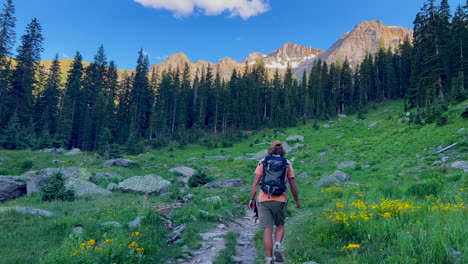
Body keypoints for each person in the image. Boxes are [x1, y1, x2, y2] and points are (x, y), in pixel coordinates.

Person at [249, 141, 300, 264]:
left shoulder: (263, 161)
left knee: (267, 229)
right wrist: (297, 200)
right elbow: (293, 185)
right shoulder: (287, 163)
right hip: (280, 199)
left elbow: (255, 183)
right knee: (280, 225)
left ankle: (269, 259)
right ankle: (277, 244)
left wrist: (251, 199)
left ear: (270, 149)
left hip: (264, 199)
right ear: (282, 150)